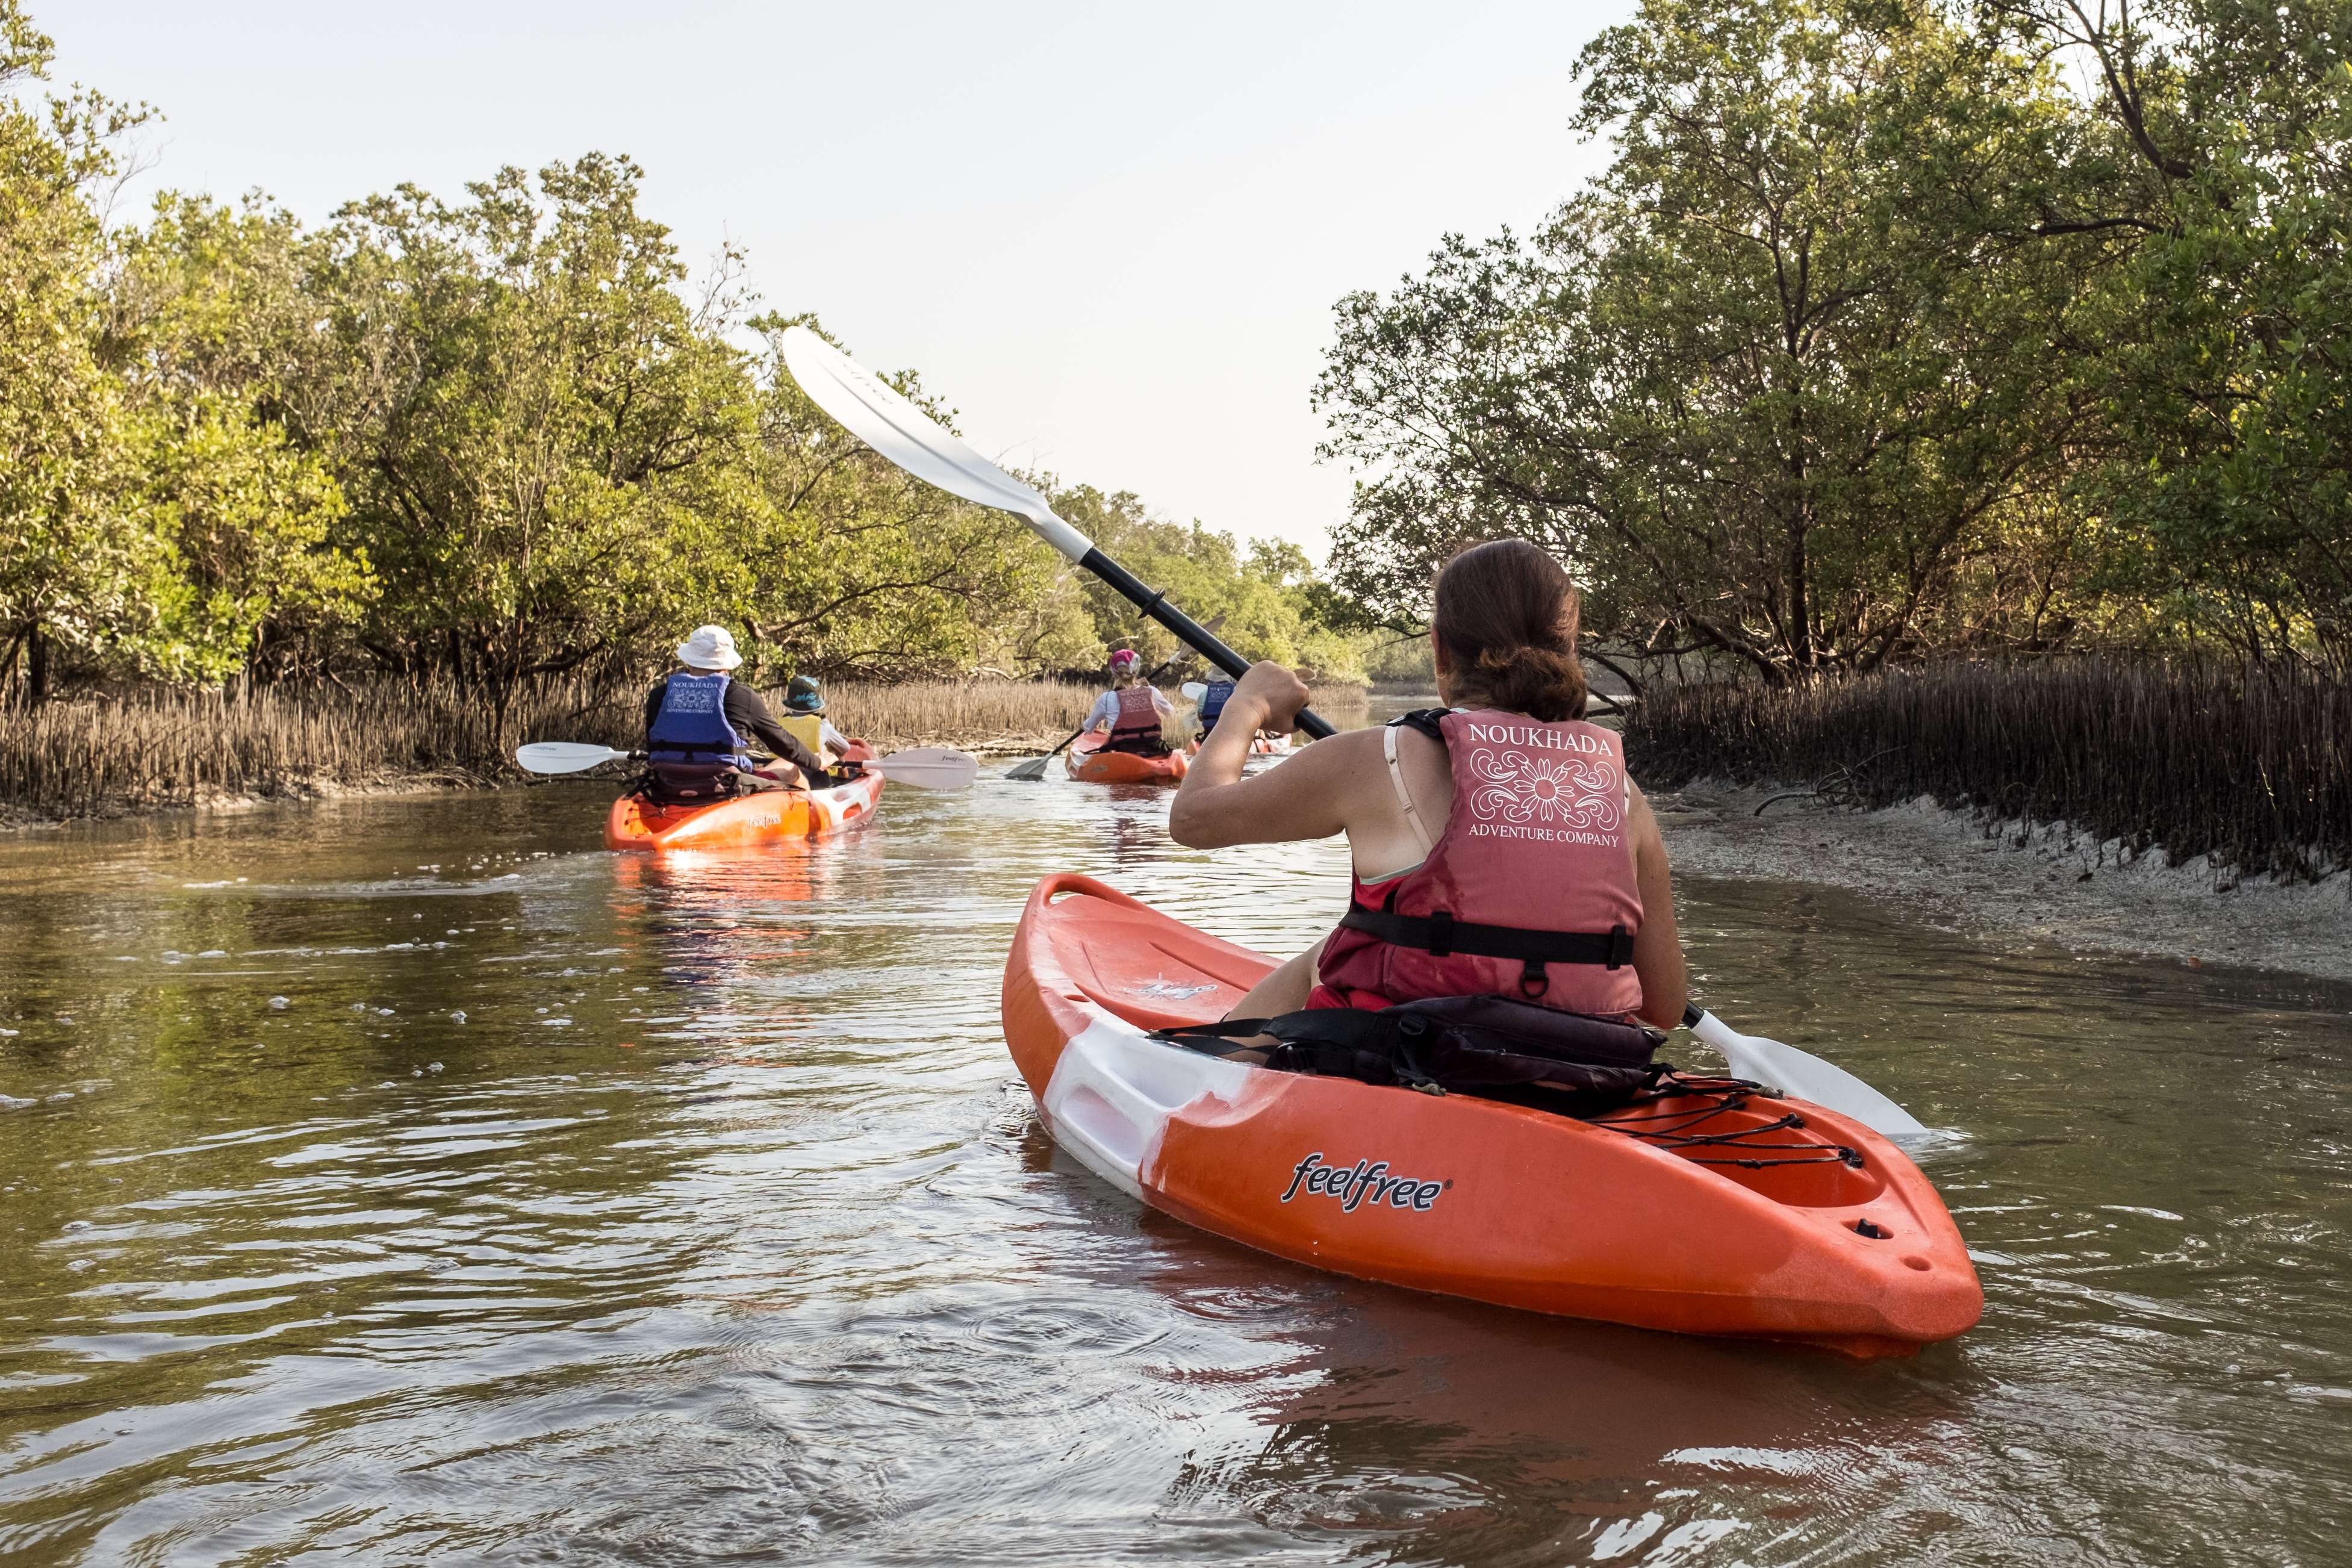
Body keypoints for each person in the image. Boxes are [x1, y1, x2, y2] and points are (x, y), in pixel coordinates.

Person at [1168, 539, 1687, 1033]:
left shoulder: (1377, 757)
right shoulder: (1620, 790)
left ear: (1440, 651)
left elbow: (1193, 819)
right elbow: (1664, 1006)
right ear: (1570, 650)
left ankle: (1204, 1087)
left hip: (1414, 1061)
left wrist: (1248, 703)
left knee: (1330, 956)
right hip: (1583, 1075)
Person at [641, 626, 835, 798]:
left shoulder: (659, 694)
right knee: (792, 768)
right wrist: (817, 762)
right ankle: (813, 817)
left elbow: (653, 746)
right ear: (726, 664)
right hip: (726, 786)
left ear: (689, 660)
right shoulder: (740, 695)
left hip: (667, 782)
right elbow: (783, 743)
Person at [1082, 649, 1174, 756]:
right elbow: (1170, 712)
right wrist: (1147, 691)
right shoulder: (1151, 691)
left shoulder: (1106, 698)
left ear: (1114, 672)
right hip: (1152, 748)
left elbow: (1088, 728)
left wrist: (1083, 726)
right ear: (1137, 669)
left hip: (1123, 750)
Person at [777, 675, 851, 767]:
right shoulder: (822, 724)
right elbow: (845, 748)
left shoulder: (779, 723)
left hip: (779, 770)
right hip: (814, 774)